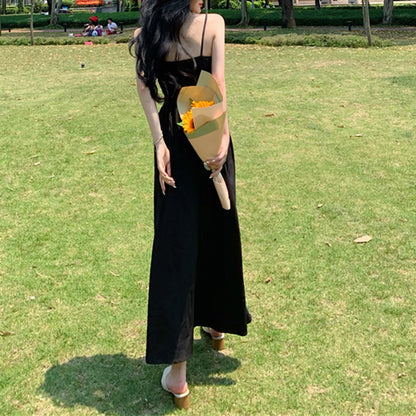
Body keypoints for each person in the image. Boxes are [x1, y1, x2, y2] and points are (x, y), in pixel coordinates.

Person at [130, 0, 251, 409]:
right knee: (217, 232)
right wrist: (222, 139)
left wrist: (159, 143)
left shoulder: (146, 32)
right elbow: (217, 87)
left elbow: (144, 89)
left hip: (174, 138)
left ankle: (178, 374)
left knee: (177, 246)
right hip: (208, 129)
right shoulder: (213, 24)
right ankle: (218, 325)